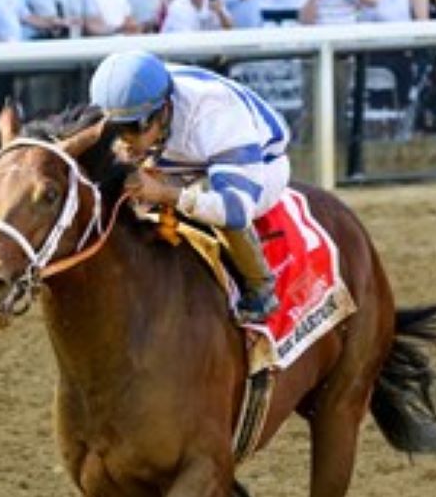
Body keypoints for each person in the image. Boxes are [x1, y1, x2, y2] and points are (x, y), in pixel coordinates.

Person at [89, 51, 291, 323]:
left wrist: (164, 193)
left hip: (261, 162)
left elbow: (234, 210)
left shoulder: (216, 115)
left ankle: (260, 287)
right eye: (115, 129)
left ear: (163, 111)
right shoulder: (135, 97)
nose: (124, 140)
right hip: (182, 154)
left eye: (132, 129)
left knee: (210, 202)